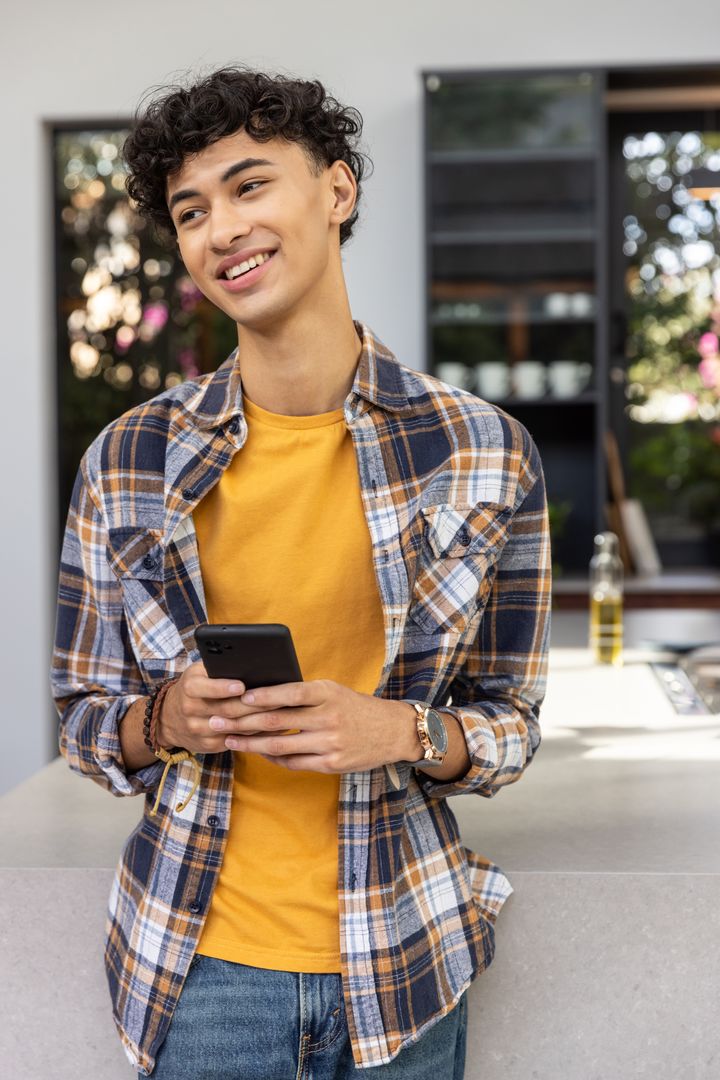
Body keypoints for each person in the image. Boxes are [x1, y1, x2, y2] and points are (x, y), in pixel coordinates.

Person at [50, 66, 551, 1079]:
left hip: (405, 960)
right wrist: (167, 721)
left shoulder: (485, 453)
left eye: (249, 186)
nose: (221, 228)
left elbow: (511, 725)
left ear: (336, 190)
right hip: (201, 969)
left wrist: (400, 730)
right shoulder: (127, 460)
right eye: (191, 211)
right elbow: (83, 722)